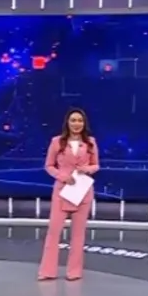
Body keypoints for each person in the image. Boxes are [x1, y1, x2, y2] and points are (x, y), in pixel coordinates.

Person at [37, 108, 100, 281]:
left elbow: (96, 165)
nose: (77, 124)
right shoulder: (57, 142)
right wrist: (63, 176)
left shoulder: (90, 142)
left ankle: (74, 272)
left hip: (82, 192)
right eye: (73, 120)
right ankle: (47, 271)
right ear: (67, 122)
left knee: (78, 234)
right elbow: (49, 166)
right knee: (54, 232)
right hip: (62, 192)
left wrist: (86, 169)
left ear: (84, 123)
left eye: (80, 120)